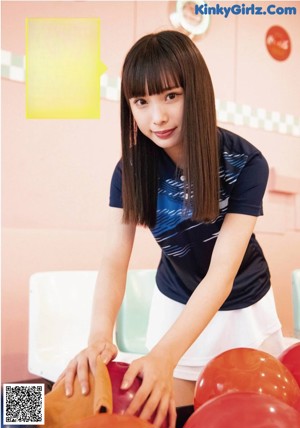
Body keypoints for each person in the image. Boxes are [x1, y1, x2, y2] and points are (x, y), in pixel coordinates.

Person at [56, 30, 284, 428]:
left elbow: (221, 274)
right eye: (141, 102)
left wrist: (164, 355)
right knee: (163, 414)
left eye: (170, 96)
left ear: (195, 93)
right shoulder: (130, 169)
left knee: (249, 416)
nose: (156, 117)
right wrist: (98, 337)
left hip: (244, 304)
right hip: (175, 301)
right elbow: (113, 260)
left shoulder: (247, 162)